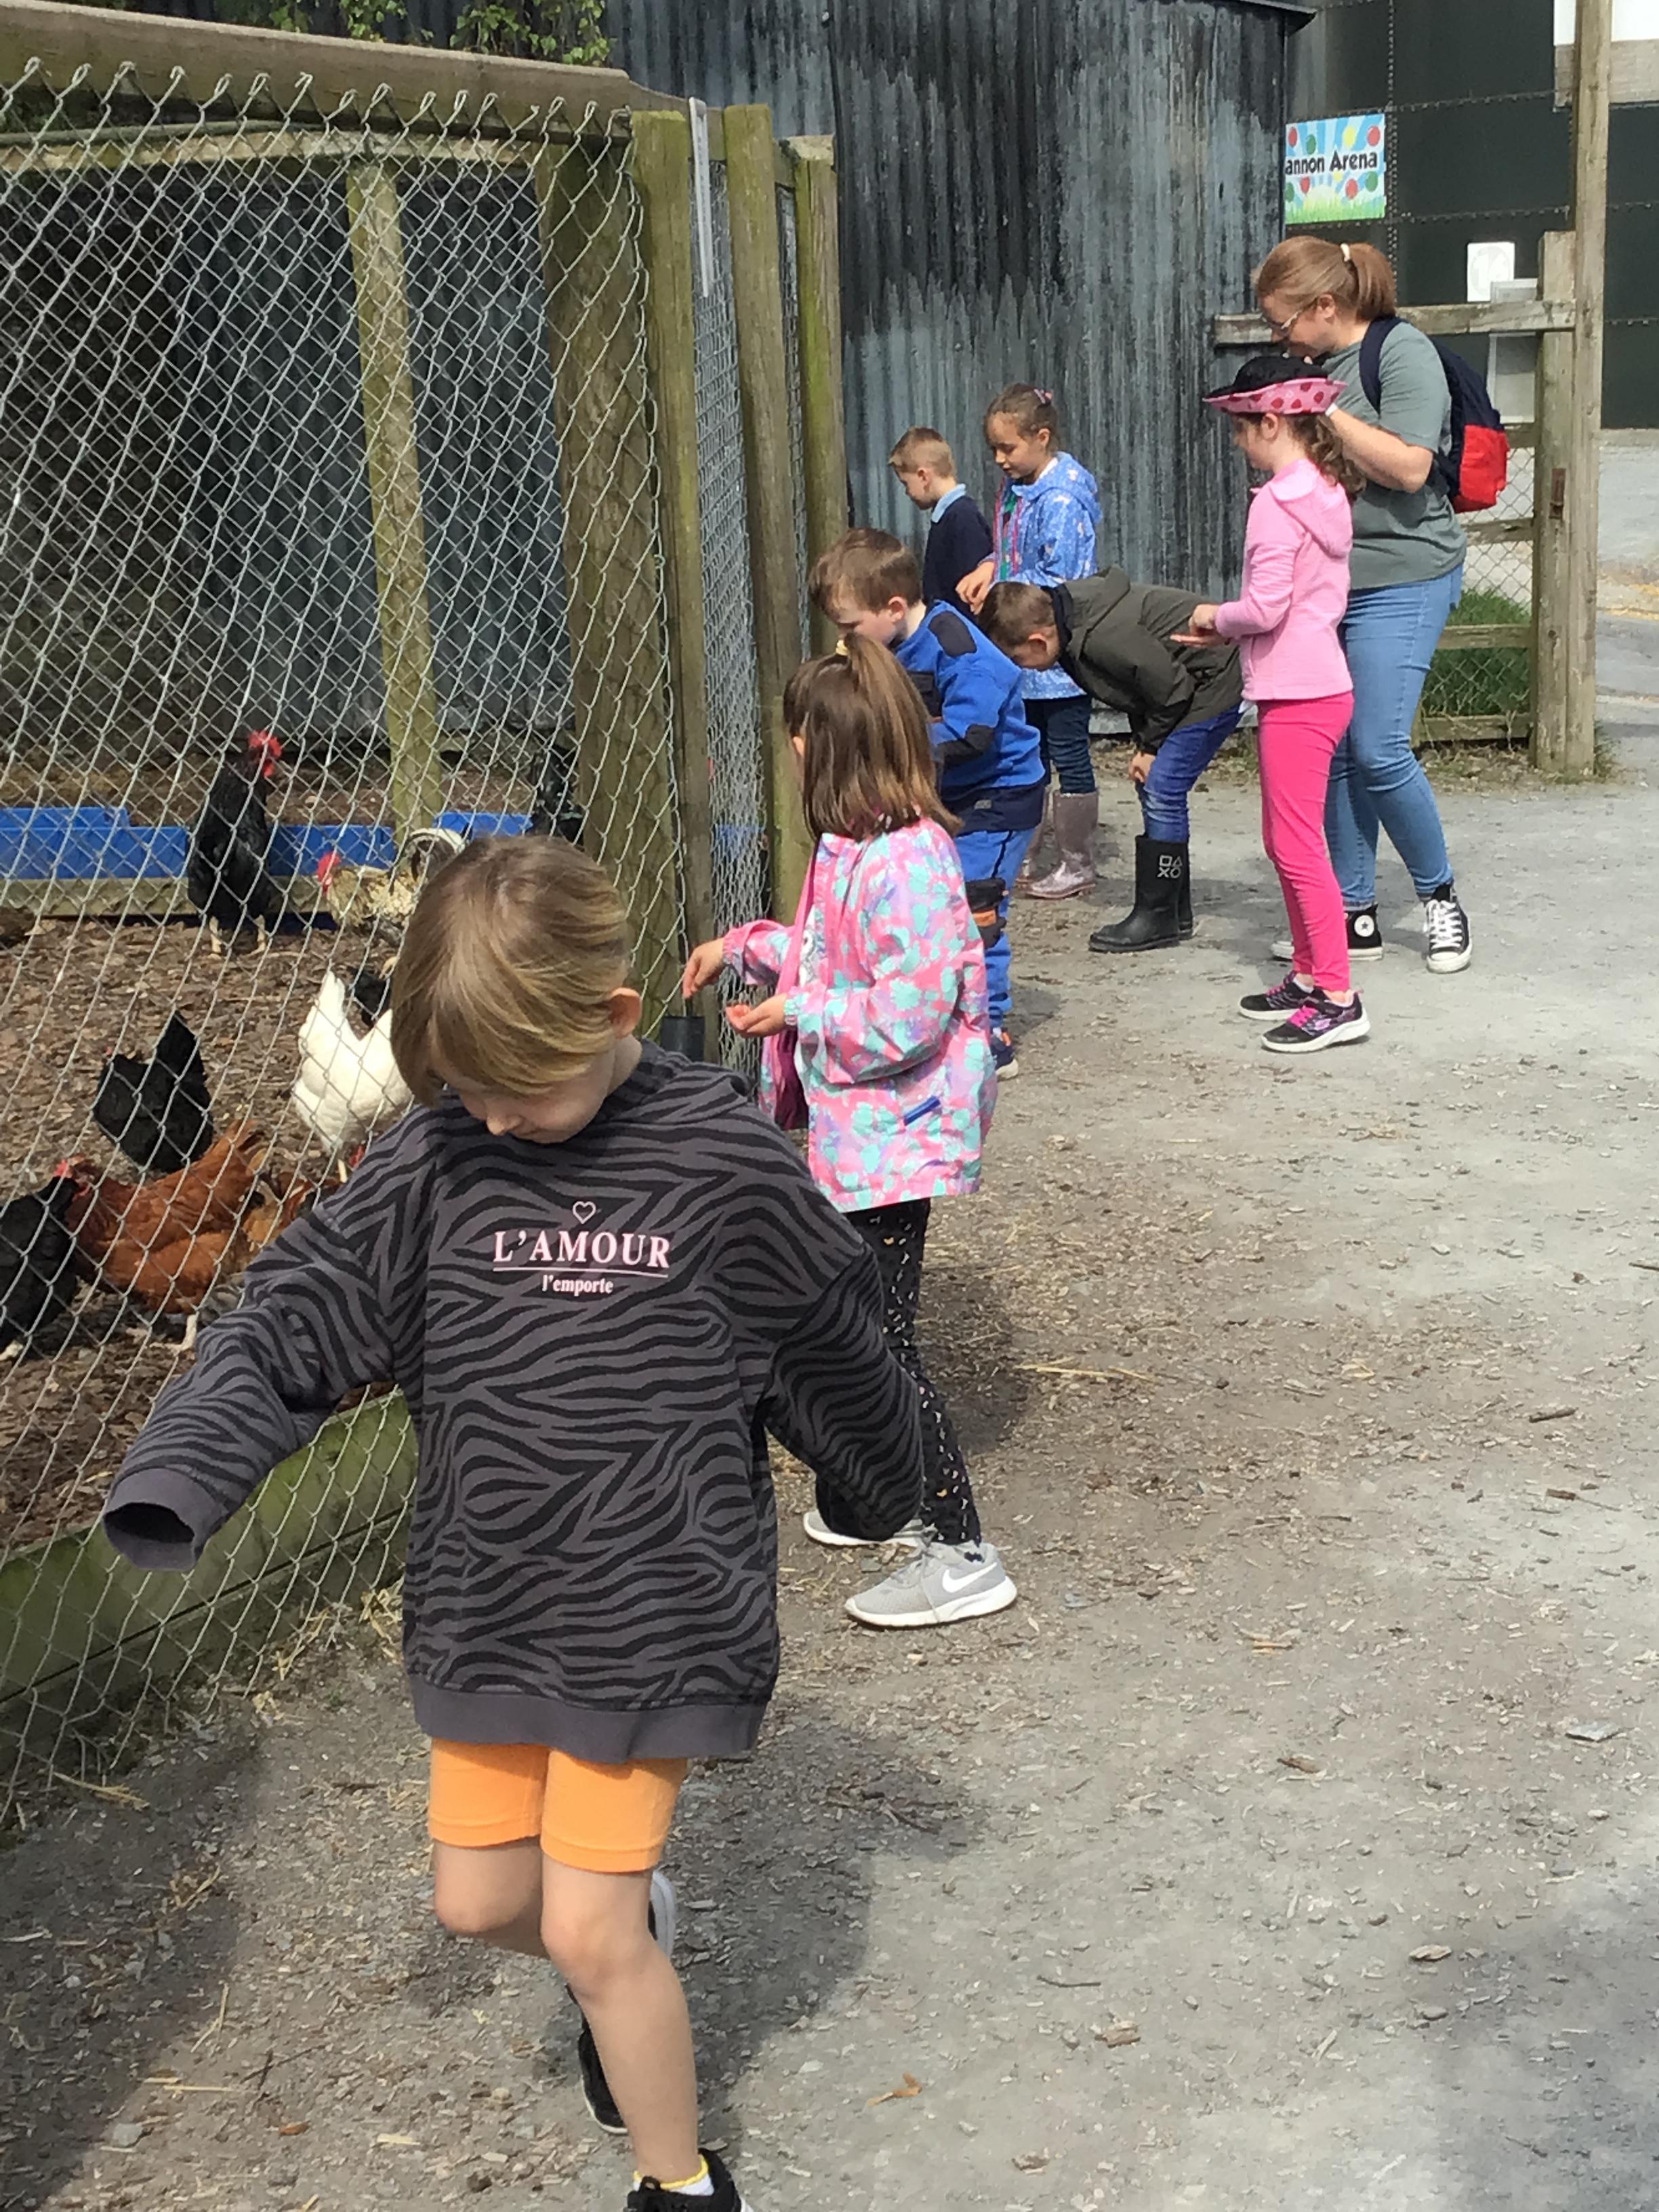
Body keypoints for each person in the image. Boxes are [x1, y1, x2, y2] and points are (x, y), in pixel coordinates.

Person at [102, 834, 932, 2212]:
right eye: (460, 1088)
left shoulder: (720, 1160)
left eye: (511, 1087)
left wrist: (874, 1478)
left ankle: (677, 2174)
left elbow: (830, 1336)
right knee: (481, 1903)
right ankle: (629, 1942)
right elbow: (292, 1318)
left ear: (613, 1016)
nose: (486, 1119)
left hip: (654, 1612)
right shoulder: (436, 1161)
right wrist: (182, 1470)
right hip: (488, 1603)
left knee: (589, 1933)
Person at [683, 638, 1017, 1629]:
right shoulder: (854, 850)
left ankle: (960, 1548)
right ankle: (875, 1497)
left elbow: (909, 1011)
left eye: (798, 736)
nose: (790, 749)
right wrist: (746, 948)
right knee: (856, 1326)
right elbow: (834, 958)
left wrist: (800, 1013)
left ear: (826, 750)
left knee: (884, 1345)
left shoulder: (905, 862)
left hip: (895, 1141)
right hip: (861, 1139)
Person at [1254, 235, 1473, 974]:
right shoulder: (1313, 364)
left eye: (1283, 323)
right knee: (1339, 751)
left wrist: (1318, 406)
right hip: (1333, 584)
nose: (1279, 339)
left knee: (1379, 747)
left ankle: (1439, 897)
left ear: (1325, 306)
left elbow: (1410, 469)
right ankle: (1353, 911)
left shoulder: (1401, 352)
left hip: (1405, 574)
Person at [1177, 357, 1369, 1054]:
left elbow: (1264, 607)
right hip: (1318, 684)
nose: (1237, 442)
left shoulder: (1275, 504)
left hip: (1298, 690)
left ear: (1270, 423)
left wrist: (1213, 617)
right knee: (1284, 840)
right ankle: (1311, 972)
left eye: (1241, 427)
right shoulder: (1324, 490)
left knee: (1296, 845)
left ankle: (1339, 996)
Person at [808, 526, 1045, 1076]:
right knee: (940, 902)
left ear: (894, 608)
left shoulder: (957, 648)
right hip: (950, 795)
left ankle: (988, 1030)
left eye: (849, 628)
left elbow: (972, 732)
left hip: (998, 797)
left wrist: (893, 747)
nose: (844, 640)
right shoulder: (889, 644)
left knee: (977, 907)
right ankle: (942, 1011)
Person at [980, 573, 1243, 953]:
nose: (1022, 668)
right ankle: (1174, 910)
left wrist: (1151, 747)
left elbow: (1172, 690)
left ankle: (1159, 916)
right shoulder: (1069, 622)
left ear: (1038, 641)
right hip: (1186, 686)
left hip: (1215, 680)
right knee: (1155, 785)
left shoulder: (1101, 637)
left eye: (1018, 659)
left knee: (1162, 787)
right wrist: (1147, 745)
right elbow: (1143, 688)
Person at [959, 385, 1102, 901]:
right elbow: (1013, 552)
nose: (1000, 459)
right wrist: (990, 566)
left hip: (1055, 657)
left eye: (1008, 448)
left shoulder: (1062, 499)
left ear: (1042, 437)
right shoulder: (1018, 486)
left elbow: (1060, 580)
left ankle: (1077, 861)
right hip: (1021, 654)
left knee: (1068, 754)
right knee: (1028, 751)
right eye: (994, 449)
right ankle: (1024, 846)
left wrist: (1001, 589)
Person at [889, 424, 994, 620]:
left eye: (906, 484)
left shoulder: (963, 518)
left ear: (923, 476)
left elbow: (973, 596)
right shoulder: (948, 516)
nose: (907, 492)